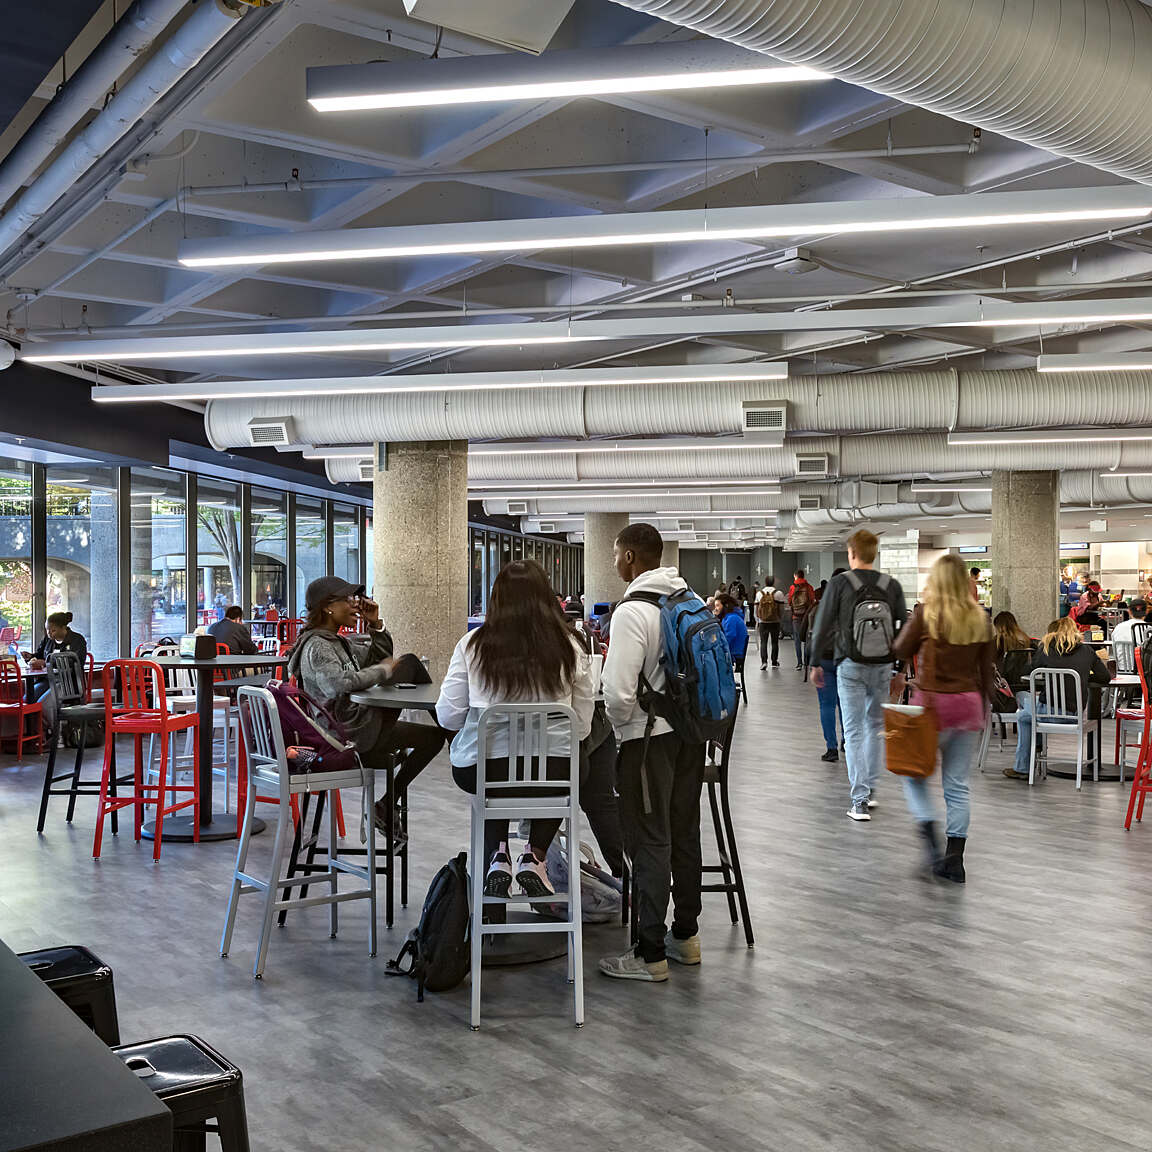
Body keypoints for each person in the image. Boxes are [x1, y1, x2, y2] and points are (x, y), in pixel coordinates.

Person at [435, 560, 594, 897]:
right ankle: (535, 856)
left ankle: (498, 855)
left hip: (483, 773)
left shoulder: (471, 645)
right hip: (556, 773)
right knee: (570, 766)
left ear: (496, 598)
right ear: (546, 597)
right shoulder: (571, 646)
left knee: (492, 772)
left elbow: (447, 716)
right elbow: (581, 725)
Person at [600, 522, 705, 983]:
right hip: (690, 736)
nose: (613, 562)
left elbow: (617, 693)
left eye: (615, 554)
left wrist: (620, 727)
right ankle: (686, 937)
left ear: (630, 557)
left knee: (649, 840)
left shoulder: (632, 612)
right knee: (683, 832)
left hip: (647, 742)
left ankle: (649, 953)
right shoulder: (688, 599)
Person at [288, 576, 446, 847]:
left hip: (357, 726)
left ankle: (385, 804)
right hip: (345, 736)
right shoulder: (317, 646)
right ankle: (461, 742)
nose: (355, 605)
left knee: (432, 738)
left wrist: (376, 625)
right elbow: (338, 684)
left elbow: (378, 658)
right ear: (328, 607)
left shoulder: (338, 642)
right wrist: (382, 671)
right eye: (348, 599)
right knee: (409, 663)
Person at [893, 555, 994, 882]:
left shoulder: (927, 614)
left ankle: (931, 842)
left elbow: (900, 648)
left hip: (933, 706)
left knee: (913, 775)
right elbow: (987, 670)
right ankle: (955, 859)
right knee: (957, 784)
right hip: (968, 705)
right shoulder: (980, 619)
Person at [807, 530, 907, 822]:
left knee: (853, 732)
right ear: (874, 553)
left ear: (852, 553)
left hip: (850, 664)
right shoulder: (891, 585)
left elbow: (822, 624)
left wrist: (815, 663)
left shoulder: (840, 583)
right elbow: (904, 629)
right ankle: (871, 790)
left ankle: (859, 801)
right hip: (883, 665)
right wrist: (901, 670)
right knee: (875, 726)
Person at [1020, 618, 1111, 771]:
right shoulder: (1087, 650)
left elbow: (1028, 671)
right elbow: (1105, 677)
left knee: (1023, 715)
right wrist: (1082, 677)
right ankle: (1036, 748)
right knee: (1029, 713)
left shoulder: (1046, 648)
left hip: (1047, 712)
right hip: (1075, 715)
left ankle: (1024, 766)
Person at [22, 611, 87, 733]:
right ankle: (40, 734)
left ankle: (58, 734)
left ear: (63, 628)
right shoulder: (48, 640)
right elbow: (39, 655)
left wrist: (47, 662)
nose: (49, 633)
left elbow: (77, 662)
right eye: (47, 630)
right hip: (47, 680)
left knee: (44, 704)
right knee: (27, 700)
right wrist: (30, 657)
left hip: (68, 682)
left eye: (53, 630)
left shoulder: (77, 640)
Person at [993, 611, 1039, 780]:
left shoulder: (996, 643)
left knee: (1028, 716)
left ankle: (1023, 765)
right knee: (1033, 715)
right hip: (1025, 690)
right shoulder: (1028, 641)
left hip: (1004, 696)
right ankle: (1037, 748)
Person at [814, 568, 846, 762]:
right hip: (846, 660)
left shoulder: (822, 605)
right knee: (845, 704)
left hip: (825, 660)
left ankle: (831, 748)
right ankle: (847, 741)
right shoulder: (853, 605)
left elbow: (814, 634)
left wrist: (813, 663)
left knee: (826, 705)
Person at [754, 576, 785, 669]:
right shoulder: (778, 593)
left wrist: (758, 619)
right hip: (775, 621)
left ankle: (764, 662)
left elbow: (756, 609)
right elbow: (781, 609)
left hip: (763, 621)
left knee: (763, 642)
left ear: (765, 582)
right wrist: (780, 618)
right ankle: (774, 662)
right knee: (775, 642)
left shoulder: (759, 594)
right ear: (773, 582)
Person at [787, 569, 816, 669]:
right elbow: (812, 601)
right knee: (807, 638)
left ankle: (799, 663)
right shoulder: (809, 587)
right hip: (806, 616)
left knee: (797, 639)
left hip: (796, 616)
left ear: (795, 576)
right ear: (803, 576)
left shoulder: (792, 587)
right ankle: (807, 662)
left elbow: (789, 601)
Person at [715, 594, 748, 667]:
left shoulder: (731, 619)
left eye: (717, 605)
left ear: (726, 605)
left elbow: (728, 638)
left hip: (734, 654)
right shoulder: (732, 617)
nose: (715, 609)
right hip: (734, 652)